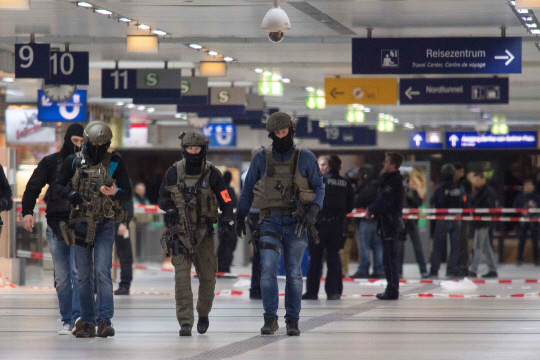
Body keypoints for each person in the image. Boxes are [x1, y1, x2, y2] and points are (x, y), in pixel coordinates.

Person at [236, 112, 324, 336]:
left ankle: (292, 320)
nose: (280, 136)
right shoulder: (261, 159)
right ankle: (270, 318)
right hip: (269, 221)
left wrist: (313, 210)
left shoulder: (306, 157)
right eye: (276, 133)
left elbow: (319, 187)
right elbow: (248, 190)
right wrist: (240, 214)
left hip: (297, 222)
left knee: (294, 272)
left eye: (283, 132)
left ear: (291, 131)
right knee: (267, 269)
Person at [53, 121, 131, 338]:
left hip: (105, 223)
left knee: (103, 272)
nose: (98, 146)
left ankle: (104, 320)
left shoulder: (114, 161)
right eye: (94, 142)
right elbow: (57, 187)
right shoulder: (73, 161)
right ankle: (87, 321)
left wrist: (115, 191)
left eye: (102, 143)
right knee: (84, 276)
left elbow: (127, 191)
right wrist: (70, 193)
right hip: (79, 223)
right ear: (87, 141)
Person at [158, 131, 234, 337]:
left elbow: (226, 199)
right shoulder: (174, 171)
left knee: (208, 279)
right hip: (180, 234)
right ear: (184, 149)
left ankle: (203, 313)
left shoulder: (213, 174)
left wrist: (228, 218)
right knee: (182, 280)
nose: (193, 152)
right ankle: (185, 322)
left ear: (203, 150)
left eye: (197, 149)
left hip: (205, 235)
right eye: (190, 148)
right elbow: (162, 198)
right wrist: (170, 208)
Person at [21, 123, 83, 335]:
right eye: (75, 141)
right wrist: (27, 211)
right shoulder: (50, 162)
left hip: (80, 224)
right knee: (63, 277)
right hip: (56, 224)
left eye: (82, 142)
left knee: (77, 272)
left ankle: (77, 318)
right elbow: (32, 187)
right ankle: (67, 319)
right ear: (67, 140)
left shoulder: (87, 163)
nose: (78, 145)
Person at [303, 155, 353, 300]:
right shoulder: (345, 183)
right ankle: (334, 292)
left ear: (329, 166)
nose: (319, 168)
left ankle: (312, 292)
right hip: (336, 225)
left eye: (322, 165)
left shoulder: (318, 182)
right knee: (334, 257)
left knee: (315, 259)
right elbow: (350, 205)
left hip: (318, 225)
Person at [365, 152, 404, 300]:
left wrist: (370, 209)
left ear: (393, 165)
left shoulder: (393, 181)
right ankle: (391, 287)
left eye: (386, 162)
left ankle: (392, 289)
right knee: (388, 258)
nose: (384, 164)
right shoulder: (389, 179)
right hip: (386, 222)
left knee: (389, 258)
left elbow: (384, 200)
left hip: (389, 222)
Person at [428, 164, 465, 278]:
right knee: (455, 246)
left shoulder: (440, 187)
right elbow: (464, 201)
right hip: (456, 218)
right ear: (453, 174)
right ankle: (451, 270)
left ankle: (434, 271)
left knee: (438, 246)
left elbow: (432, 200)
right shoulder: (459, 187)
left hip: (442, 217)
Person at [351, 168, 384, 279]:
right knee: (378, 246)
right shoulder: (380, 186)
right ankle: (379, 270)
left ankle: (363, 270)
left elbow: (357, 202)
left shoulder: (365, 187)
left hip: (365, 220)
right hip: (378, 220)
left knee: (364, 247)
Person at [397, 171, 428, 278]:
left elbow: (419, 202)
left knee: (418, 247)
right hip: (401, 222)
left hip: (412, 222)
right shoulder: (397, 192)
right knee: (399, 249)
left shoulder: (412, 191)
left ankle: (423, 271)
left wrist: (411, 197)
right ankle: (398, 271)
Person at [468, 172, 498, 278]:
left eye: (477, 180)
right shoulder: (478, 191)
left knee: (477, 245)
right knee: (486, 246)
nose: (476, 182)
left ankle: (473, 269)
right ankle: (492, 269)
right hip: (479, 222)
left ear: (483, 179)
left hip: (484, 221)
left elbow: (487, 206)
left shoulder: (488, 192)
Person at [513, 179, 540, 266]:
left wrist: (535, 214)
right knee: (521, 240)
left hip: (534, 220)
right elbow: (515, 206)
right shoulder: (520, 196)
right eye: (526, 185)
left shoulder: (536, 196)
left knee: (535, 240)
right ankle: (519, 259)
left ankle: (536, 260)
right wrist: (521, 211)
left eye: (529, 185)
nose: (528, 187)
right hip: (523, 220)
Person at [217, 171, 239, 273]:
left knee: (223, 243)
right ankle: (224, 266)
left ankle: (221, 265)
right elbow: (231, 204)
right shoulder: (227, 190)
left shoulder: (221, 190)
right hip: (228, 221)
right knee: (228, 244)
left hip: (222, 221)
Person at [114, 195, 134, 295]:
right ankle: (95, 283)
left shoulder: (122, 179)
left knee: (125, 255)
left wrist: (124, 222)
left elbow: (127, 202)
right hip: (102, 220)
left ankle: (125, 285)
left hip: (119, 221)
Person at [455, 163, 472, 277]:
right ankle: (456, 265)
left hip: (463, 216)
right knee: (457, 242)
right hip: (455, 215)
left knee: (463, 242)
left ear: (461, 171)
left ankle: (464, 266)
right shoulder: (454, 183)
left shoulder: (465, 184)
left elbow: (466, 200)